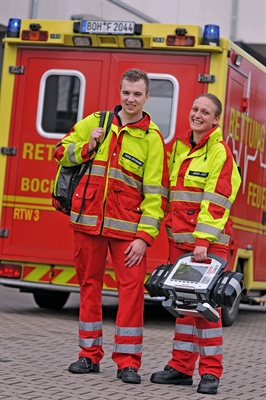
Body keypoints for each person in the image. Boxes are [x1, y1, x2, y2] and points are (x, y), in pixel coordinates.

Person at [54, 68, 169, 384]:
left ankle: (128, 363)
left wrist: (144, 238)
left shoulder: (152, 139)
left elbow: (156, 195)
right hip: (87, 224)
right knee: (88, 286)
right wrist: (88, 146)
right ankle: (88, 356)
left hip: (128, 233)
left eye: (137, 94)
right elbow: (60, 153)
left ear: (147, 98)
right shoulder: (96, 122)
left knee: (131, 293)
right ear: (120, 93)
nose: (130, 99)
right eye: (126, 92)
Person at [150, 93, 241, 394]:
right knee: (184, 306)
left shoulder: (220, 152)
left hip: (207, 244)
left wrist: (202, 240)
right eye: (194, 109)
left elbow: (217, 201)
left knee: (207, 308)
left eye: (205, 112)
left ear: (216, 120)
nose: (198, 115)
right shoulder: (178, 146)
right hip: (180, 241)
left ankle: (211, 373)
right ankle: (180, 367)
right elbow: (166, 187)